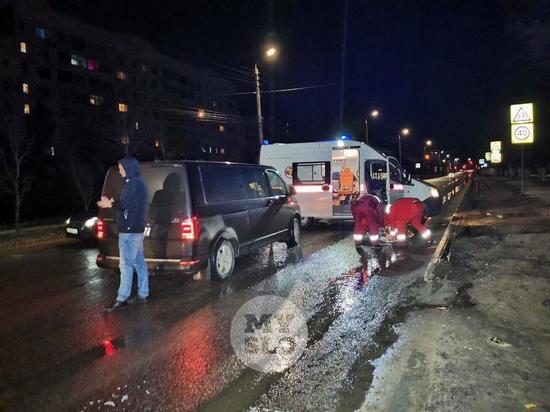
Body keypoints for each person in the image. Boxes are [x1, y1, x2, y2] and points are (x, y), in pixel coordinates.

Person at [97, 156, 149, 312]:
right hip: (135, 231)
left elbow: (125, 204)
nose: (119, 171)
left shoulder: (133, 184)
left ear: (128, 168)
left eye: (121, 168)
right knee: (139, 262)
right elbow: (128, 205)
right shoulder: (138, 184)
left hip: (129, 232)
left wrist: (110, 204)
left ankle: (121, 297)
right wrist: (115, 204)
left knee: (125, 265)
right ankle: (143, 293)